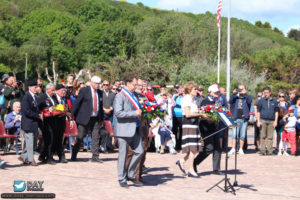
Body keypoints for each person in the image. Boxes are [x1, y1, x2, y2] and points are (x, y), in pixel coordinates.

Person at [113, 74, 144, 188]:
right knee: (123, 154)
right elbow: (118, 113)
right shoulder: (120, 96)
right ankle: (122, 178)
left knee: (140, 151)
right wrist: (134, 114)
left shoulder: (134, 95)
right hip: (123, 129)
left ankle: (130, 174)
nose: (136, 86)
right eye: (134, 84)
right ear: (127, 84)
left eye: (136, 84)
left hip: (135, 128)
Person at [176, 81, 207, 178]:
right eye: (195, 89)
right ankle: (191, 169)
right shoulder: (186, 99)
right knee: (193, 149)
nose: (197, 91)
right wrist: (200, 114)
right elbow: (188, 114)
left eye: (197, 89)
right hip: (189, 124)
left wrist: (201, 114)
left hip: (194, 124)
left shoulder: (193, 99)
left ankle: (182, 161)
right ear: (189, 90)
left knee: (195, 149)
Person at [71, 76, 104, 163]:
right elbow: (77, 103)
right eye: (96, 83)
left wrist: (102, 119)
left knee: (96, 137)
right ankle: (74, 154)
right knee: (80, 136)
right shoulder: (84, 90)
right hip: (84, 117)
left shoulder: (100, 92)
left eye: (99, 84)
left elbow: (100, 107)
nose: (97, 85)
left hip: (96, 117)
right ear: (92, 82)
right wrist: (71, 115)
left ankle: (95, 156)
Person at [193, 84, 223, 175]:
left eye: (218, 92)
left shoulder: (216, 101)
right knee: (209, 148)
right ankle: (194, 162)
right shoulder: (205, 101)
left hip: (215, 127)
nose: (217, 93)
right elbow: (203, 115)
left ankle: (216, 169)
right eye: (215, 92)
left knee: (218, 148)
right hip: (206, 128)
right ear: (210, 92)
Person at [18, 79, 43, 166]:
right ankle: (31, 160)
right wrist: (37, 115)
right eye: (34, 87)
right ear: (29, 87)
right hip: (28, 123)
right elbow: (26, 111)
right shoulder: (26, 97)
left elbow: (36, 109)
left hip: (34, 123)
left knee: (33, 142)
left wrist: (39, 113)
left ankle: (24, 156)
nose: (36, 88)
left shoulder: (34, 97)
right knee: (30, 142)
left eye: (37, 87)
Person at [228, 84, 252, 155]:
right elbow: (230, 101)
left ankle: (241, 149)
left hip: (244, 119)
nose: (240, 90)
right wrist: (234, 93)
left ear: (245, 89)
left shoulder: (247, 97)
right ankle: (233, 148)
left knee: (242, 135)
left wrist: (245, 94)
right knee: (234, 134)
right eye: (239, 89)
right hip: (235, 118)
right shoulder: (236, 97)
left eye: (242, 89)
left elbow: (249, 101)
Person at [37, 83, 58, 164]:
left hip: (53, 120)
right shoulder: (42, 97)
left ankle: (42, 156)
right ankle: (49, 158)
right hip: (45, 122)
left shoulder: (54, 97)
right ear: (47, 89)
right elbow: (39, 108)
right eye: (52, 90)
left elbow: (55, 106)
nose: (54, 92)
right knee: (49, 140)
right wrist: (46, 110)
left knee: (51, 139)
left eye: (54, 90)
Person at [257, 87, 279, 155]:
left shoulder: (274, 101)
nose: (265, 94)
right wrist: (258, 121)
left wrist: (275, 121)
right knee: (263, 136)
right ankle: (262, 150)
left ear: (270, 93)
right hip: (263, 120)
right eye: (264, 93)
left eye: (267, 93)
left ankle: (270, 151)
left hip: (271, 121)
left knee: (270, 137)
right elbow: (258, 111)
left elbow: (276, 112)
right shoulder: (261, 100)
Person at [172, 85, 184, 151]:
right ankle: (175, 145)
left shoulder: (184, 97)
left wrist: (184, 95)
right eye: (180, 91)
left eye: (182, 91)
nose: (181, 92)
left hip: (182, 115)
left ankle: (180, 145)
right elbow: (172, 102)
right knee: (175, 131)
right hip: (175, 115)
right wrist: (177, 95)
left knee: (182, 131)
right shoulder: (175, 96)